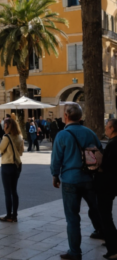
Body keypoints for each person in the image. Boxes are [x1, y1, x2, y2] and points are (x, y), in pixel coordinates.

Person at [50, 103, 104, 260]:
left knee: (72, 217)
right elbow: (100, 151)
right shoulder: (90, 133)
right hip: (89, 178)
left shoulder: (62, 135)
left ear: (66, 116)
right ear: (80, 117)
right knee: (95, 208)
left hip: (70, 179)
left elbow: (56, 159)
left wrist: (55, 175)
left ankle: (75, 252)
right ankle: (101, 232)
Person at [96, 119, 117, 259]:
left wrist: (99, 163)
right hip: (113, 184)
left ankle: (113, 249)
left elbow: (108, 166)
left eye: (107, 127)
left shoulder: (113, 145)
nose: (105, 129)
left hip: (108, 184)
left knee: (106, 216)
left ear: (112, 128)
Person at [0, 117, 24, 222]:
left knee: (7, 192)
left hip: (7, 165)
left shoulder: (6, 137)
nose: (4, 127)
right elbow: (21, 152)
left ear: (8, 126)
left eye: (4, 125)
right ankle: (15, 215)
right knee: (14, 191)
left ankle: (8, 215)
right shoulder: (19, 137)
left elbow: (0, 149)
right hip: (17, 165)